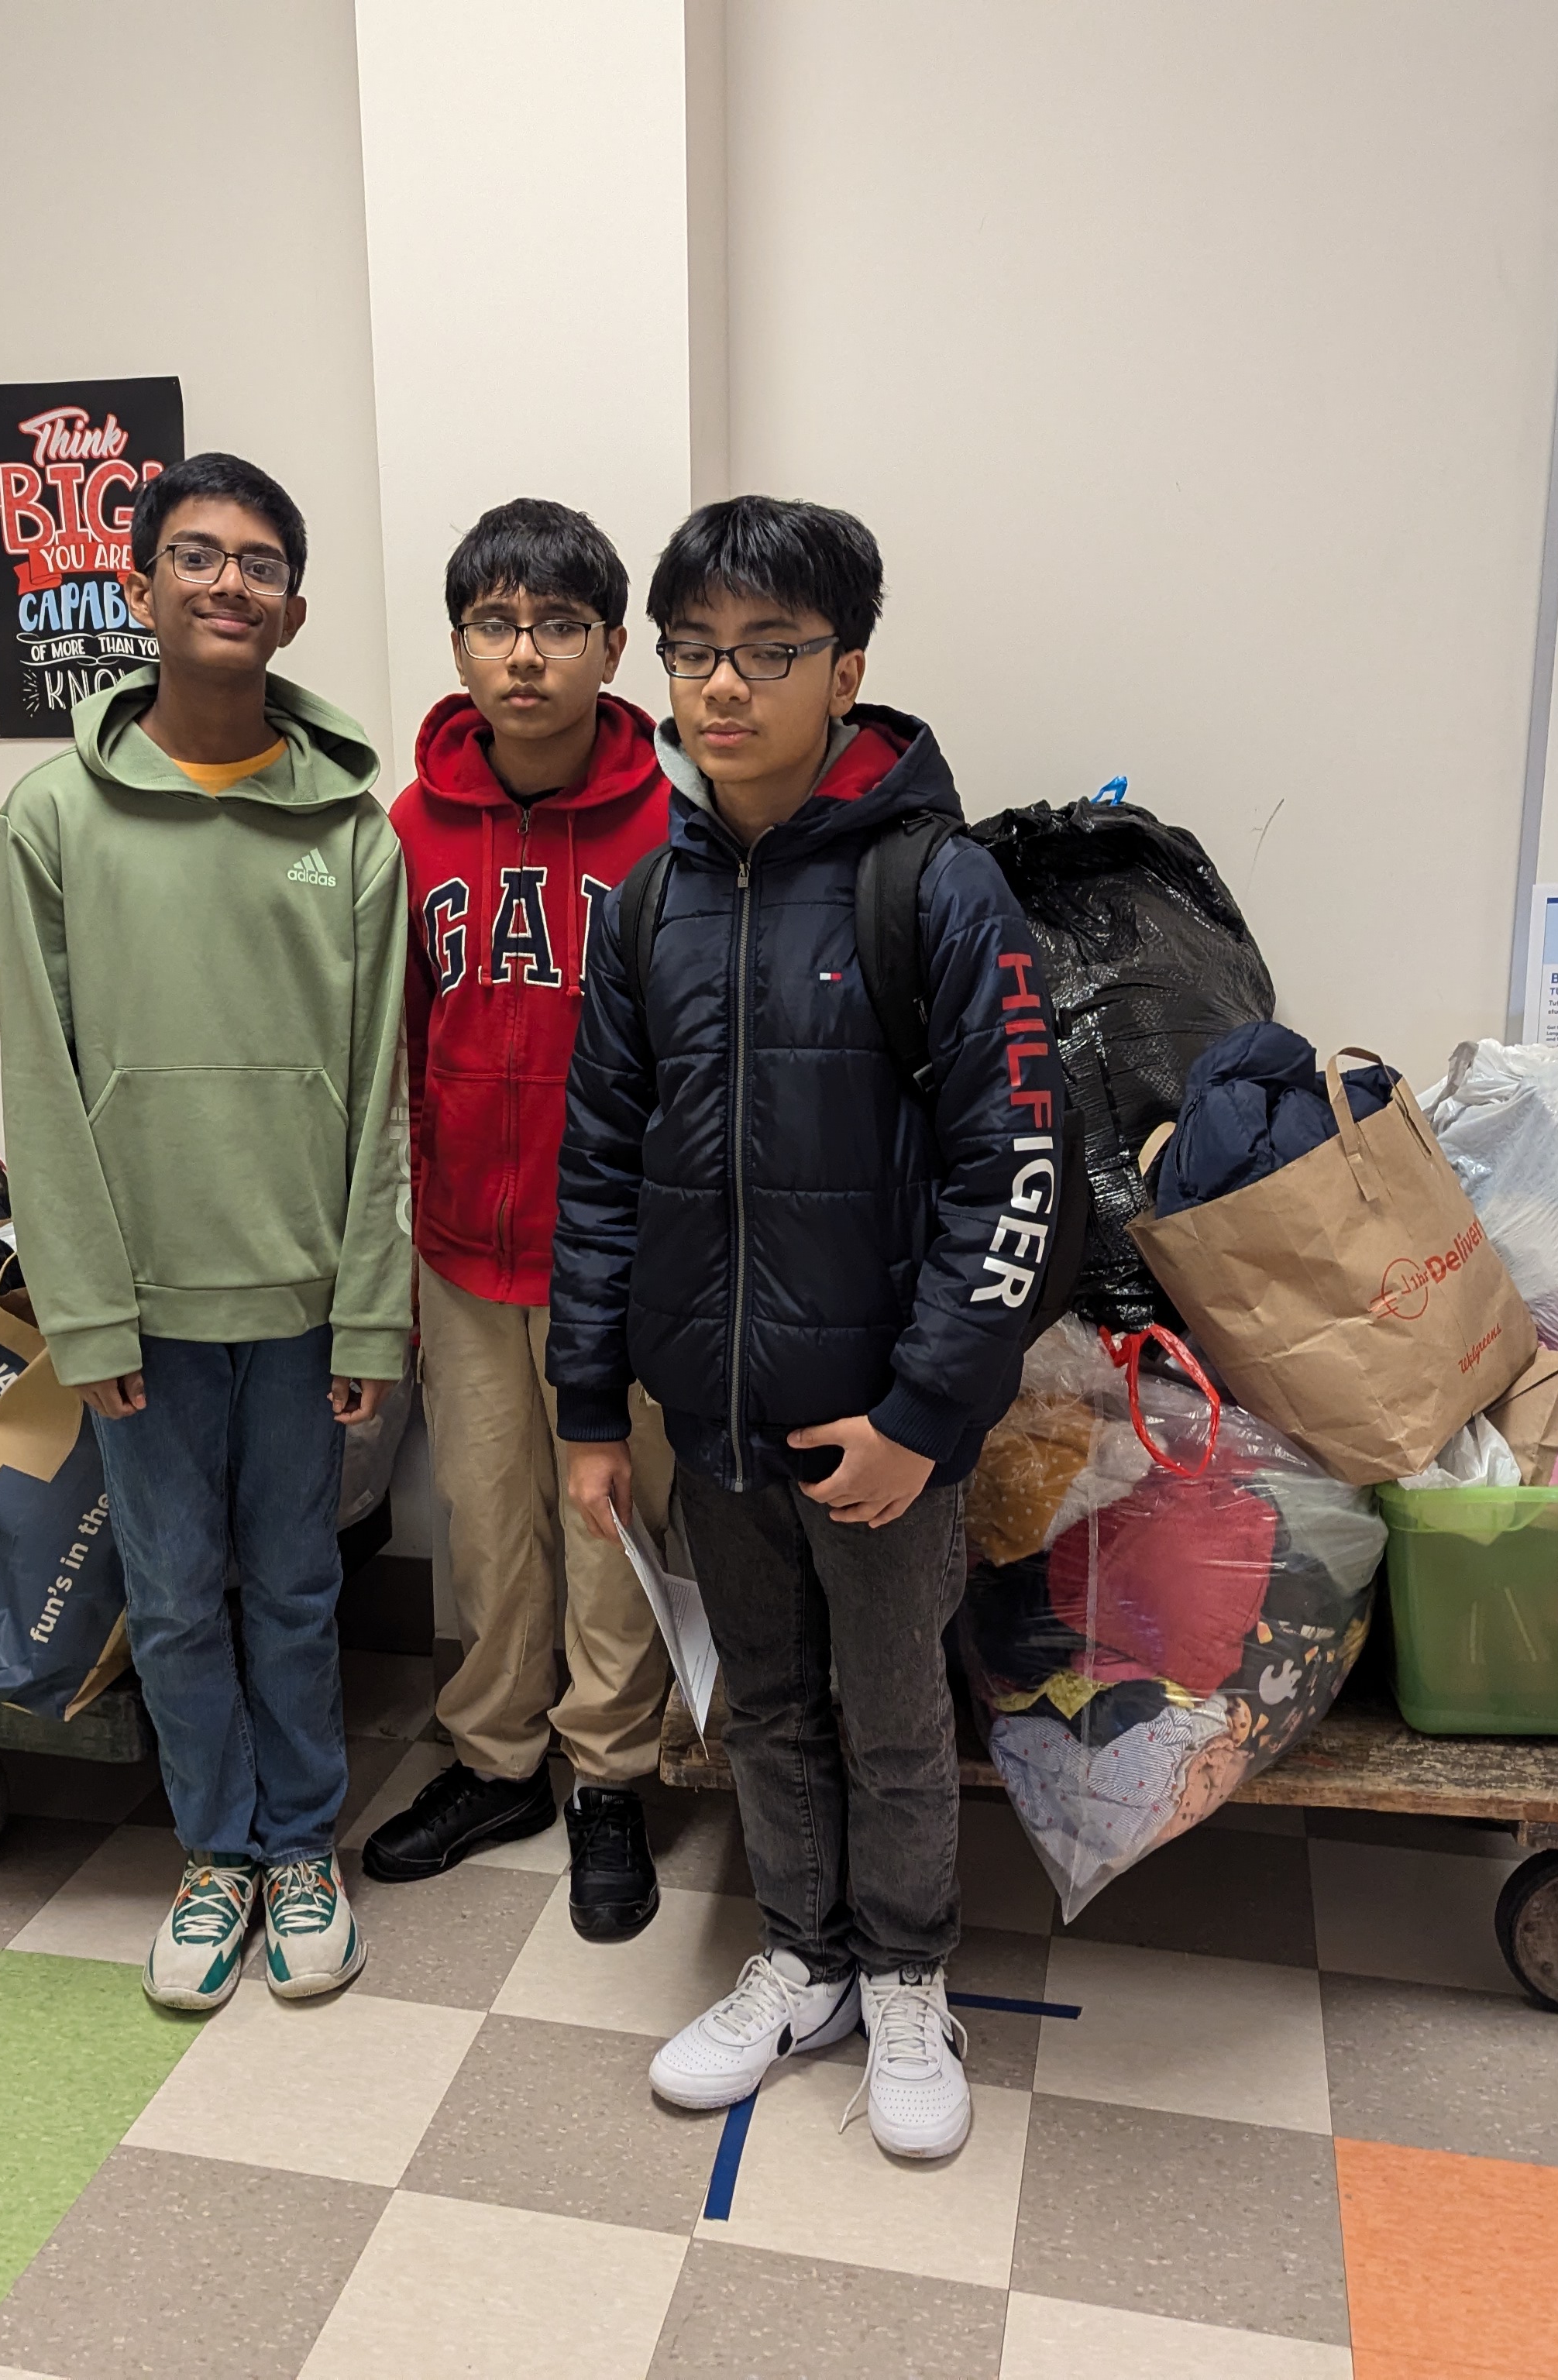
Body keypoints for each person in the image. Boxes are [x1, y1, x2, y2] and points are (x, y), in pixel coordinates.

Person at [549, 495, 1053, 2160]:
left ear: (848, 670)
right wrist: (589, 1407)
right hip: (715, 1417)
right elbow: (603, 1168)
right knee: (761, 1700)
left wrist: (924, 1416)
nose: (725, 689)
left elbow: (1014, 1178)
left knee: (898, 1712)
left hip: (883, 1432)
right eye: (696, 653)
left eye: (769, 653)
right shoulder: (650, 905)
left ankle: (909, 1971)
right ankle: (803, 1955)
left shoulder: (939, 890)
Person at [0, 451, 407, 2014]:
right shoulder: (52, 818)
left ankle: (304, 1852)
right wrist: (86, 1318)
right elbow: (44, 1079)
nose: (227, 582)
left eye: (257, 563)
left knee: (298, 1589)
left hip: (301, 1305)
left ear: (292, 608)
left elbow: (379, 1102)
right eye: (195, 555)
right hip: (144, 1313)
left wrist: (371, 1313)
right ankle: (215, 1858)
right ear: (139, 590)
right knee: (172, 1597)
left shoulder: (352, 833)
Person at [364, 499, 679, 1941]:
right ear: (459, 646)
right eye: (498, 623)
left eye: (560, 626)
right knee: (488, 1528)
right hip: (464, 1255)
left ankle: (612, 1776)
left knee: (609, 1521)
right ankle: (498, 1761)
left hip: (628, 1257)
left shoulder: (678, 828)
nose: (528, 655)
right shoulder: (411, 830)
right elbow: (394, 1045)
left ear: (613, 647)